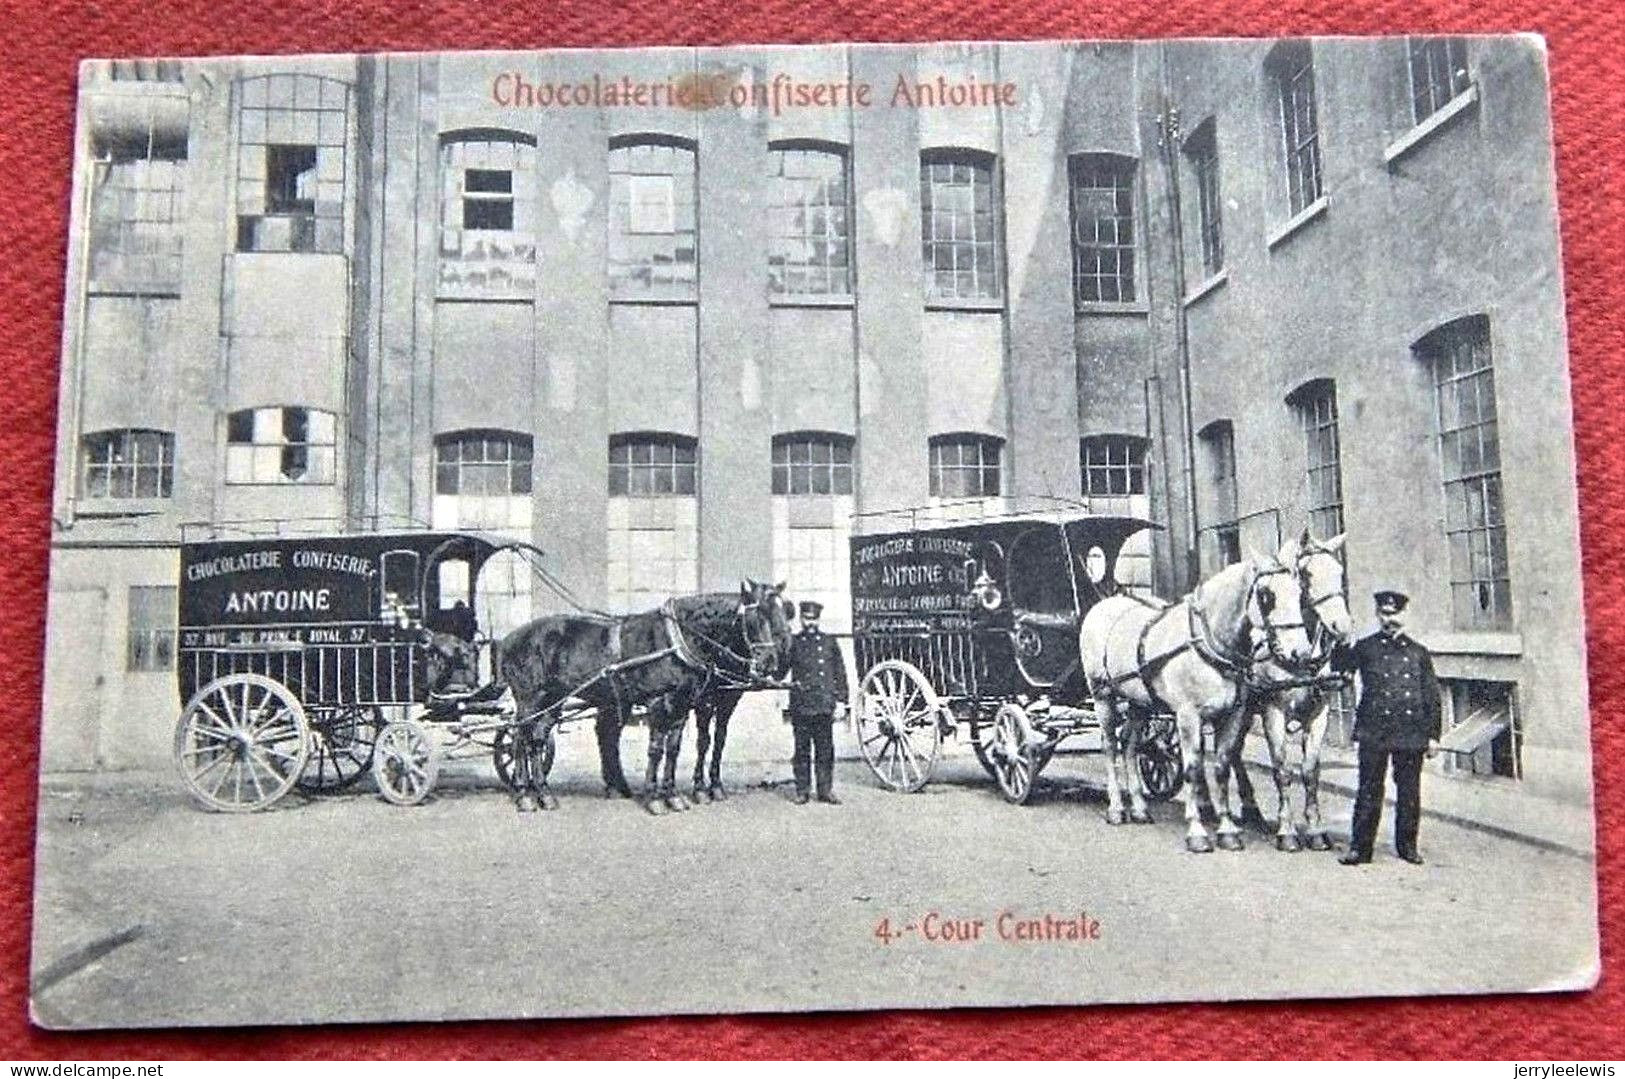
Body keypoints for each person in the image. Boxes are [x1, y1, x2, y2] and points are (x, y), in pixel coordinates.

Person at [1333, 588, 1443, 866]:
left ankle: (1407, 846)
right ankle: (1360, 848)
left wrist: (1433, 735)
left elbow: (1431, 695)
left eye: (1394, 614)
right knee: (1369, 790)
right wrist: (1341, 640)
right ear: (1377, 614)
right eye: (1384, 613)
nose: (1388, 619)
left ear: (1404, 615)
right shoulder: (1365, 647)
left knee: (1409, 793)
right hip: (1375, 731)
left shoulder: (1419, 653)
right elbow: (1341, 668)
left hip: (1411, 732)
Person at [786, 600, 849, 805]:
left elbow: (840, 673)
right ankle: (802, 791)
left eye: (813, 619)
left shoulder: (829, 642)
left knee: (825, 750)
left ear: (818, 619)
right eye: (806, 618)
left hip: (823, 705)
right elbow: (782, 672)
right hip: (801, 705)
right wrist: (781, 700)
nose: (810, 623)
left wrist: (841, 701)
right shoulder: (793, 643)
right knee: (802, 750)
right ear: (801, 619)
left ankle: (825, 790)